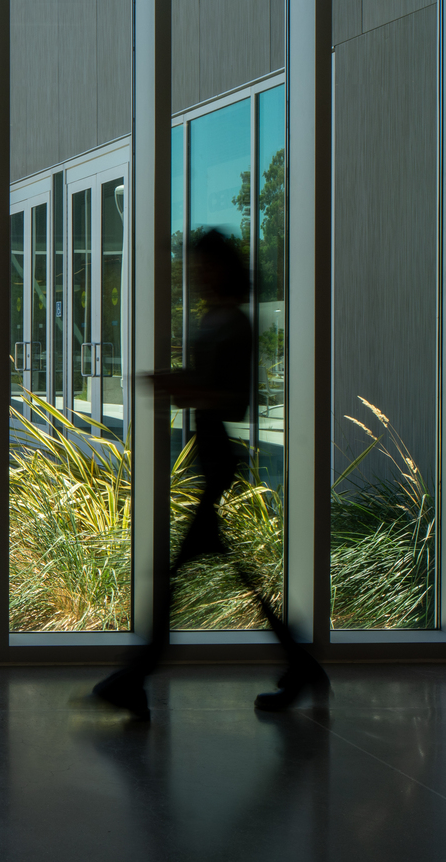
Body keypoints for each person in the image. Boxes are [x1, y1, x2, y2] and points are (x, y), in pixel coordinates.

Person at [92, 228, 327, 719]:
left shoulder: (233, 323)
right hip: (212, 459)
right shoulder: (219, 317)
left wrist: (182, 386)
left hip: (218, 460)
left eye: (202, 264)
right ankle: (301, 666)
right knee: (222, 574)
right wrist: (184, 386)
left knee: (174, 575)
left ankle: (136, 678)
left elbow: (236, 399)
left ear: (222, 267)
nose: (195, 273)